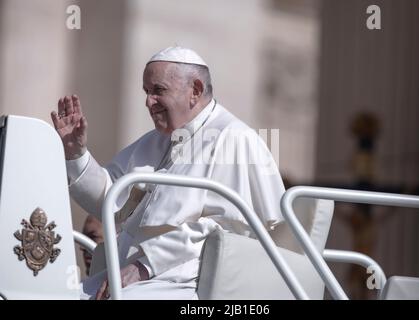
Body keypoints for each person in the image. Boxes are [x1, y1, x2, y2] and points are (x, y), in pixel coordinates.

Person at [51, 46, 285, 300]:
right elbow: (110, 203)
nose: (148, 102)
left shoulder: (236, 139)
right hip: (133, 274)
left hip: (190, 281)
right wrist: (76, 154)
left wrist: (145, 266)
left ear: (194, 90)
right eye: (147, 92)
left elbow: (226, 234)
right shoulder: (153, 141)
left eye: (158, 91)